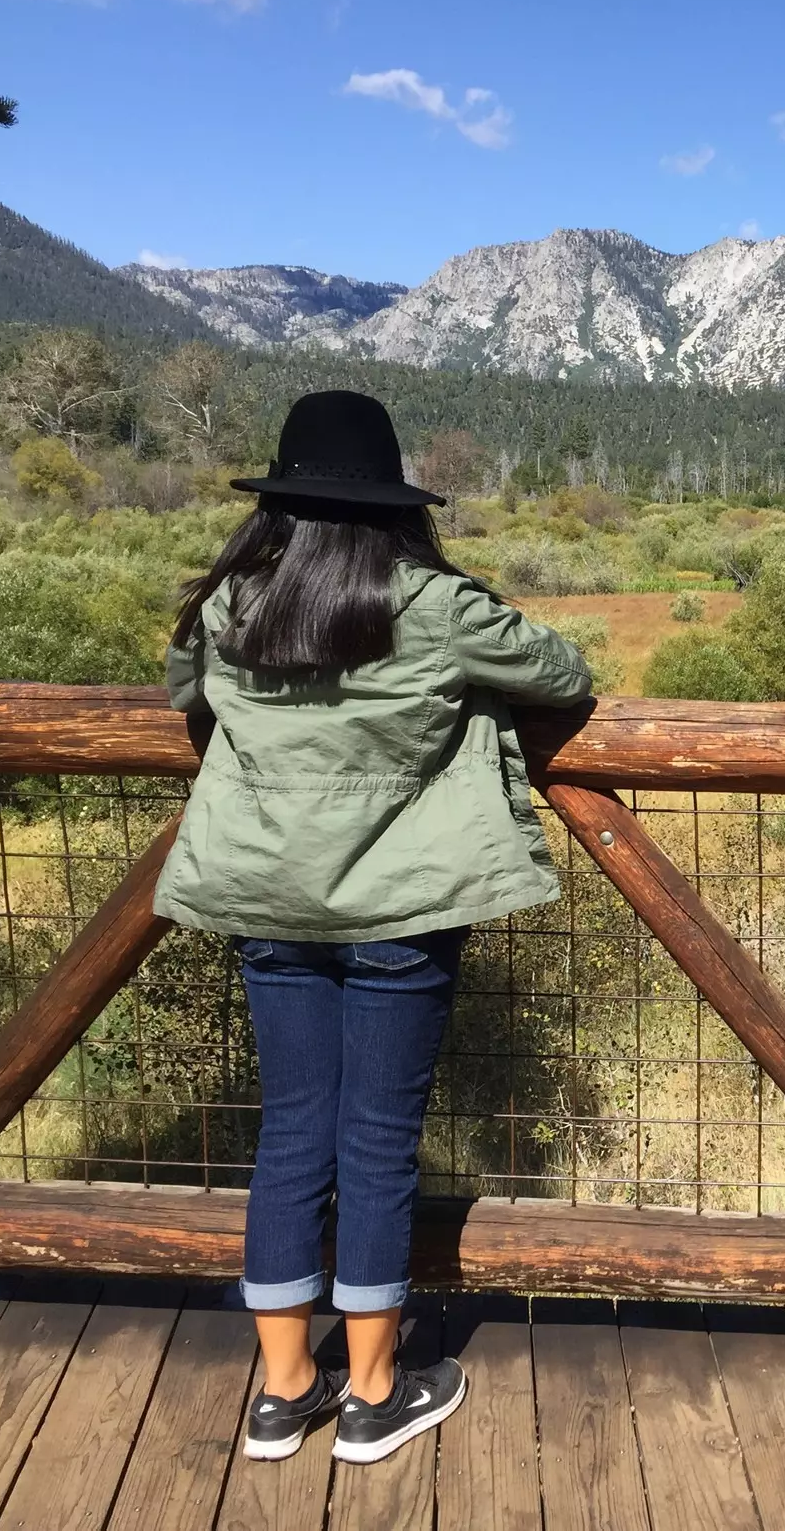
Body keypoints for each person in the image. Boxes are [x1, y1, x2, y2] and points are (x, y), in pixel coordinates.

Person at [154, 390, 593, 1466]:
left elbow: (189, 699)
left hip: (267, 903)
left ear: (277, 504)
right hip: (402, 908)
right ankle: (373, 1392)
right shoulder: (434, 601)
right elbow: (564, 673)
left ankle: (281, 1390)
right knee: (378, 1144)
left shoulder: (231, 605)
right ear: (395, 506)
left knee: (292, 1135)